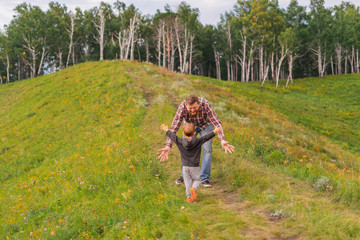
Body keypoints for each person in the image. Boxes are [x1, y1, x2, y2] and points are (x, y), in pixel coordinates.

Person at [158, 95, 235, 187]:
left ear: (199, 104)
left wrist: (222, 140)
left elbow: (216, 121)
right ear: (186, 106)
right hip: (189, 127)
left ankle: (204, 178)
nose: (193, 110)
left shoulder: (205, 104)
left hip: (205, 126)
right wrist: (168, 146)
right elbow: (175, 126)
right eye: (190, 108)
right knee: (185, 149)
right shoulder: (182, 107)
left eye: (195, 107)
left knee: (207, 150)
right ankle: (184, 175)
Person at [160, 122, 222, 202]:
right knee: (197, 179)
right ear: (195, 133)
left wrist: (167, 130)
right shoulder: (198, 141)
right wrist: (215, 131)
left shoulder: (180, 141)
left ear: (183, 133)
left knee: (187, 182)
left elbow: (173, 136)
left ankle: (189, 197)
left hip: (185, 166)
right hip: (194, 166)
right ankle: (194, 189)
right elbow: (206, 137)